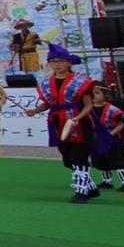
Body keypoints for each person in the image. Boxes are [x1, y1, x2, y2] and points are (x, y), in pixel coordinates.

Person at [26, 44, 96, 202]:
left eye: (61, 61)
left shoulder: (80, 82)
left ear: (69, 63)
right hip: (59, 122)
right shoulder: (46, 83)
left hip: (79, 123)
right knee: (68, 157)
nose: (57, 64)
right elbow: (49, 104)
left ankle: (81, 192)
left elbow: (88, 105)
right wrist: (35, 111)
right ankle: (91, 188)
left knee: (79, 157)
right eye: (54, 61)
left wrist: (78, 118)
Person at [90, 82, 124, 191]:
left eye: (97, 93)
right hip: (97, 138)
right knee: (100, 160)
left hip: (111, 138)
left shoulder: (112, 109)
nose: (94, 96)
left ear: (105, 95)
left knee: (117, 161)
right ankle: (107, 181)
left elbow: (123, 123)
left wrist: (112, 133)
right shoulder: (89, 109)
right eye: (91, 94)